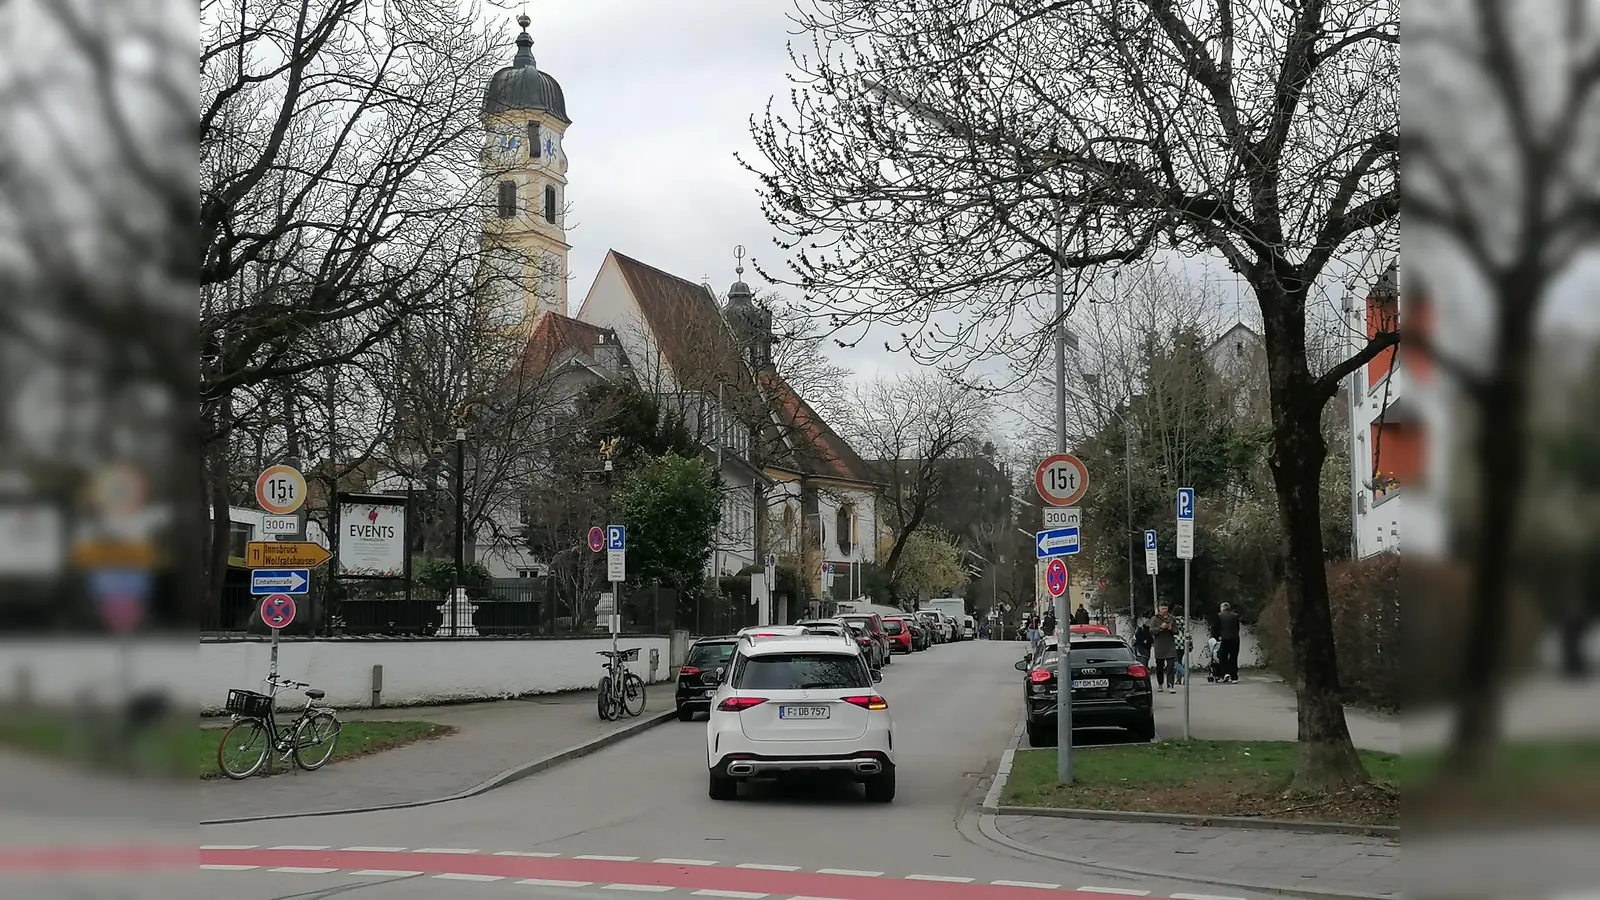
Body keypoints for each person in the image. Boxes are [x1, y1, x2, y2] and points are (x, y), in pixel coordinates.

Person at [1146, 605, 1178, 693]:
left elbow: (1177, 631)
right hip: (1159, 646)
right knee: (1160, 666)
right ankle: (1160, 683)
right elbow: (1151, 631)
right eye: (1163, 609)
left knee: (1171, 666)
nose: (1164, 610)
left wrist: (1171, 629)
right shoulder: (1154, 619)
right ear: (1159, 609)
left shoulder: (1172, 618)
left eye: (1166, 608)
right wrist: (1161, 627)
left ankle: (1170, 685)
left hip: (1170, 645)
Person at [1215, 601, 1242, 684]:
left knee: (1223, 657)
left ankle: (1226, 673)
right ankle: (1234, 676)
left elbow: (1217, 627)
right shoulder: (1235, 616)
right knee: (1233, 657)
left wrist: (1217, 637)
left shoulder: (1219, 616)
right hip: (1235, 638)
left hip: (1224, 639)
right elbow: (1237, 628)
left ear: (1222, 608)